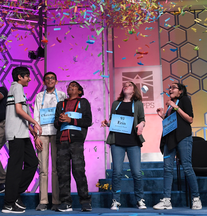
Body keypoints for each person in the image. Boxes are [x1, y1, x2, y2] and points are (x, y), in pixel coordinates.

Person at [153, 83, 202, 210]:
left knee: (186, 166)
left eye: (173, 87)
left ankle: (196, 198)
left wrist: (175, 107)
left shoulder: (184, 100)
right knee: (167, 169)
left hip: (183, 137)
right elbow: (172, 122)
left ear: (180, 91)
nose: (170, 89)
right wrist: (163, 116)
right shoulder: (170, 107)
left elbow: (190, 119)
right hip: (170, 139)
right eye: (169, 88)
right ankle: (166, 200)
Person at [2, 66, 42, 214]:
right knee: (15, 168)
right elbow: (18, 110)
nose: (30, 79)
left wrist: (31, 129)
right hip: (16, 134)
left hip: (23, 133)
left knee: (32, 163)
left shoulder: (17, 88)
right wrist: (35, 122)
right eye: (27, 76)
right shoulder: (17, 87)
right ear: (20, 77)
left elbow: (18, 112)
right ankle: (9, 203)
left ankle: (14, 193)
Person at [101, 81, 146, 210]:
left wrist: (142, 124)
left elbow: (143, 119)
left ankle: (140, 199)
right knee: (117, 172)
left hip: (133, 141)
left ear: (134, 90)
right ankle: (115, 200)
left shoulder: (138, 104)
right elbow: (114, 121)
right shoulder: (116, 103)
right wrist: (107, 123)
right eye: (124, 85)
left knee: (137, 172)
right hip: (117, 141)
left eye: (129, 85)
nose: (126, 86)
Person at [54, 81, 92, 212]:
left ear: (80, 91)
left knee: (79, 171)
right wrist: (60, 120)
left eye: (74, 86)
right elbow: (55, 124)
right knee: (62, 173)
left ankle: (85, 201)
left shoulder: (84, 102)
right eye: (69, 86)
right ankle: (65, 202)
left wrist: (71, 120)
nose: (71, 87)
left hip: (76, 142)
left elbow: (88, 121)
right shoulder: (61, 104)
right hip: (61, 142)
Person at [34, 72, 66, 211]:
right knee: (43, 169)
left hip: (57, 133)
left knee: (56, 169)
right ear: (44, 82)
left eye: (52, 78)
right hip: (43, 134)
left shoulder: (63, 95)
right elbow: (36, 116)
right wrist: (36, 136)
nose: (50, 80)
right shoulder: (39, 96)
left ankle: (57, 200)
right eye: (47, 78)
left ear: (56, 81)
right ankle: (43, 200)